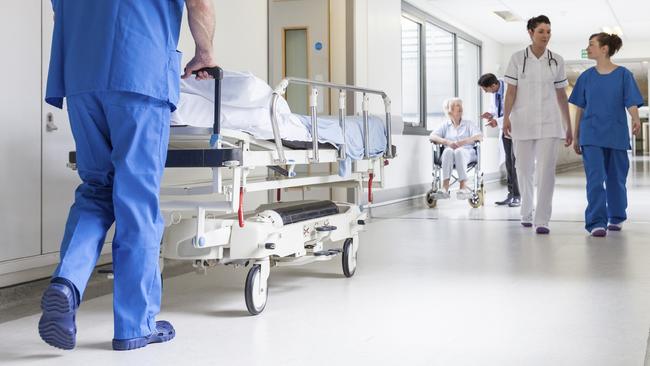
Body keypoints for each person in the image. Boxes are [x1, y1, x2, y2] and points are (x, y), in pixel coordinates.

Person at [39, 0, 217, 351]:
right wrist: (204, 52)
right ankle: (135, 324)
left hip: (81, 76)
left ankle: (66, 283)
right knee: (136, 198)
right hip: (140, 70)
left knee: (96, 189)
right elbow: (198, 3)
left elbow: (60, 10)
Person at [502, 15, 573, 234]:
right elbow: (511, 91)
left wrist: (568, 125)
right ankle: (526, 211)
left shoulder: (557, 60)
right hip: (522, 122)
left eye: (549, 31)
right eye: (541, 31)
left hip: (550, 123)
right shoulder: (517, 58)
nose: (546, 35)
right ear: (530, 32)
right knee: (523, 169)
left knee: (546, 172)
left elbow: (561, 95)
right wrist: (505, 118)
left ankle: (542, 219)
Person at [568, 33, 643, 237]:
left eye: (591, 44)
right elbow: (580, 109)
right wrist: (576, 135)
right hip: (591, 135)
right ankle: (596, 222)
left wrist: (636, 119)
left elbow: (631, 101)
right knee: (595, 178)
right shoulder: (586, 77)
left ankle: (616, 216)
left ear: (604, 49)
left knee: (616, 179)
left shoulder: (623, 75)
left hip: (616, 133)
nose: (588, 48)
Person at [478, 73, 520, 207]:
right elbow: (498, 110)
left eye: (486, 89)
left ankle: (518, 196)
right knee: (508, 162)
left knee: (515, 162)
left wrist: (498, 121)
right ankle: (511, 194)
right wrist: (491, 115)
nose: (485, 92)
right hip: (505, 129)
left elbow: (514, 111)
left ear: (494, 85)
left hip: (516, 128)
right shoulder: (495, 92)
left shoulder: (511, 88)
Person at [429, 98, 483, 199]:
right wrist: (447, 142)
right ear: (449, 110)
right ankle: (445, 187)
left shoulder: (468, 124)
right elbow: (432, 136)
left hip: (467, 153)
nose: (460, 108)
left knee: (459, 151)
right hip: (448, 156)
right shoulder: (445, 125)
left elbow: (480, 136)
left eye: (460, 105)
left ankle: (463, 186)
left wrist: (463, 142)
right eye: (456, 105)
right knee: (448, 151)